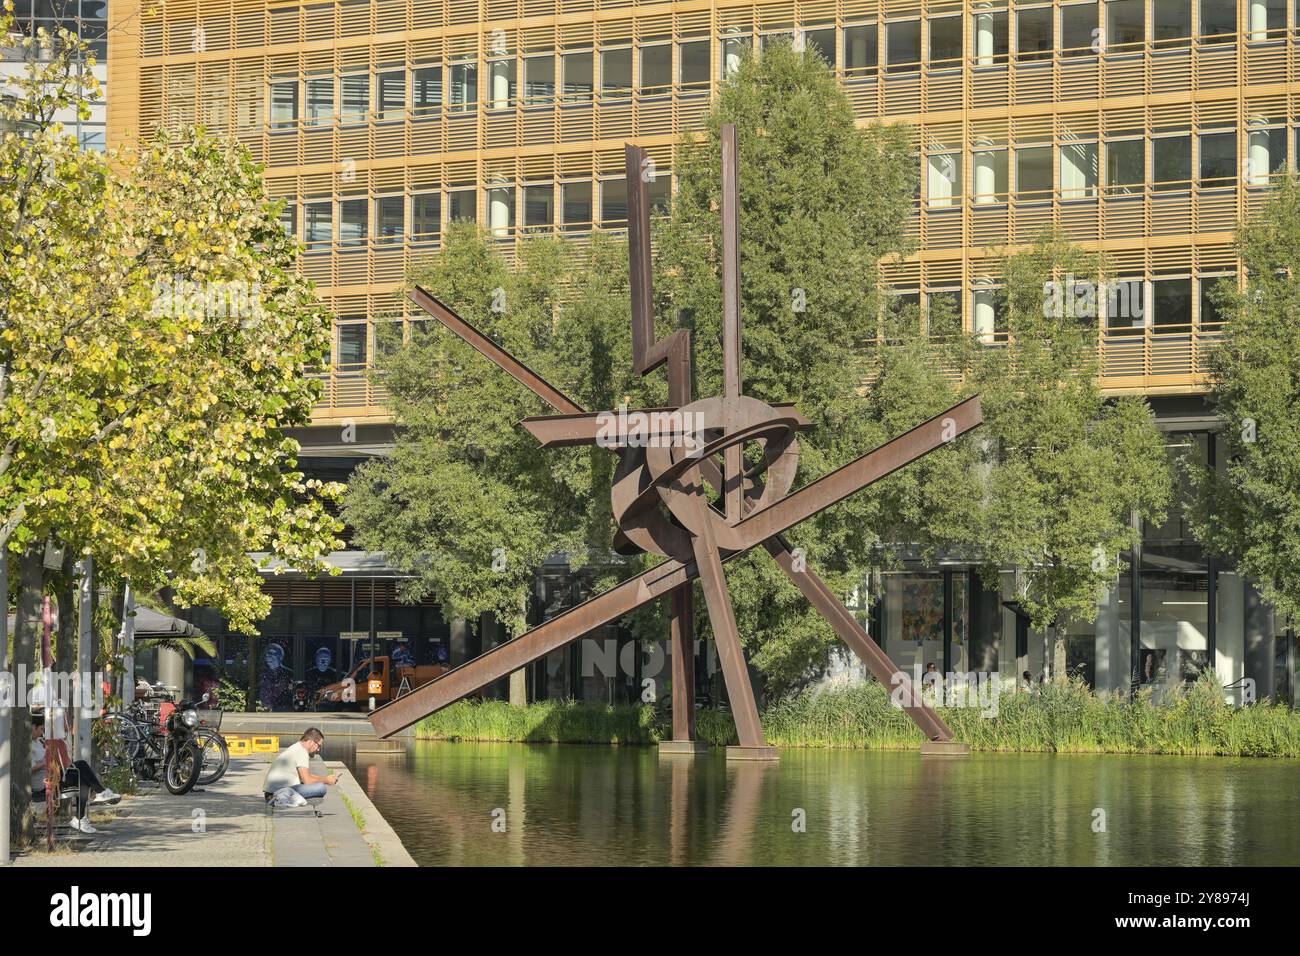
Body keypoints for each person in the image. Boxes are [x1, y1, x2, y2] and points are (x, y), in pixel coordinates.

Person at [31, 716, 120, 834]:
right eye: (41, 729)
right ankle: (98, 794)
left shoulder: (38, 742)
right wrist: (46, 761)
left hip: (53, 777)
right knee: (82, 766)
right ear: (33, 727)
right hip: (43, 783)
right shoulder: (28, 746)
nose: (42, 733)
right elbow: (31, 768)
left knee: (82, 778)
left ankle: (80, 817)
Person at [262, 728, 338, 804]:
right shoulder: (302, 752)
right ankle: (282, 797)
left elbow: (307, 776)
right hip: (278, 792)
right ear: (311, 742)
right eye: (318, 746)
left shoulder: (296, 747)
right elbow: (307, 781)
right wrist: (327, 781)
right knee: (321, 788)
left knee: (318, 784)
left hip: (270, 793)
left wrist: (326, 778)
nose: (318, 750)